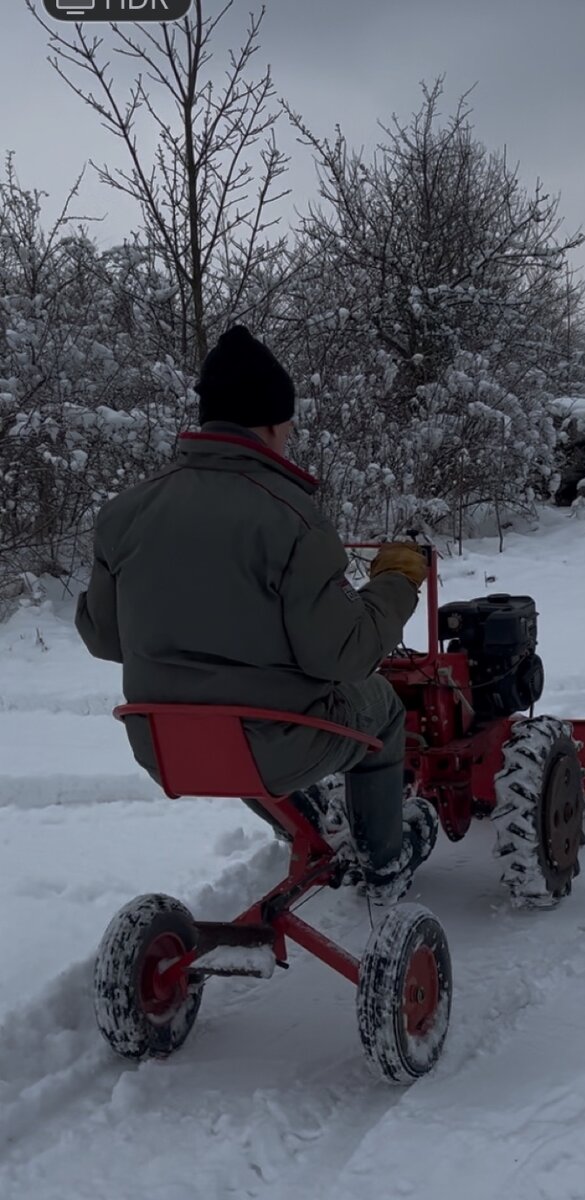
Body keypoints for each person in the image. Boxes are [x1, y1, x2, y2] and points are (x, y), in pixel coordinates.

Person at [74, 325, 437, 902]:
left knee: (237, 730)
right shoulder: (294, 521)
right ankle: (384, 864)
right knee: (384, 710)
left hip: (165, 744)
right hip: (272, 743)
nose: (289, 438)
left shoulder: (125, 513)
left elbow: (102, 636)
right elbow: (345, 655)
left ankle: (319, 831)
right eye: (288, 426)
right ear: (270, 423)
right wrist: (395, 581)